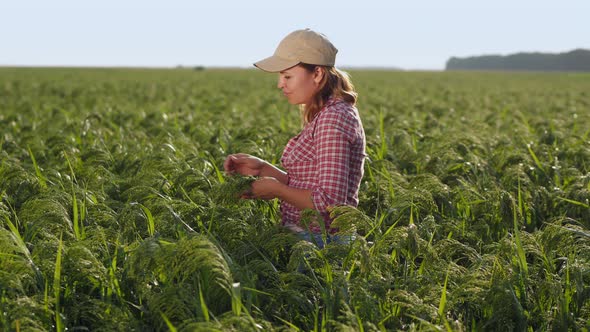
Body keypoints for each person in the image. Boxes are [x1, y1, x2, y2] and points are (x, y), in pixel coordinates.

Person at [223, 28, 366, 248]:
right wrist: (262, 169)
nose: (280, 84)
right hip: (311, 239)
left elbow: (329, 202)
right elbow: (308, 184)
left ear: (317, 74)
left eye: (287, 75)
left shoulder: (333, 119)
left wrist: (276, 190)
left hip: (322, 244)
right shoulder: (326, 113)